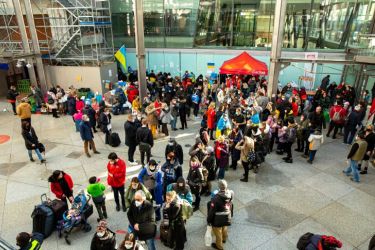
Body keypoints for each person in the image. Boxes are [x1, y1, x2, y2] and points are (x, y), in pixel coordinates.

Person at [207, 180, 234, 250]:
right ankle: (224, 239)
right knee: (224, 227)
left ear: (219, 187)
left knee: (218, 232)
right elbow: (230, 202)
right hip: (227, 215)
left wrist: (209, 220)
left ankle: (219, 246)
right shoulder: (230, 193)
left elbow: (212, 211)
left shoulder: (216, 198)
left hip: (218, 219)